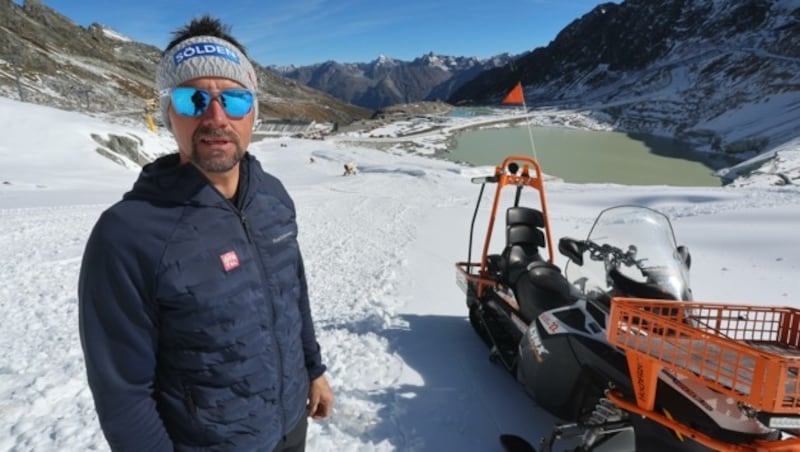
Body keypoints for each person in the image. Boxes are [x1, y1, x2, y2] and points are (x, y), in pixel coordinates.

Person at [78, 15, 333, 452]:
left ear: (253, 110)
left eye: (234, 100)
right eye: (193, 99)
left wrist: (313, 369)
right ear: (168, 112)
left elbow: (293, 293)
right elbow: (122, 395)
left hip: (291, 426)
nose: (216, 117)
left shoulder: (272, 197)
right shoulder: (127, 233)